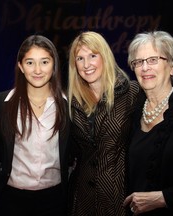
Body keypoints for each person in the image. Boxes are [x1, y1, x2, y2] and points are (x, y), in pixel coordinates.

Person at [0, 34, 70, 216]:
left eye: (44, 62)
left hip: (54, 199)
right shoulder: (1, 103)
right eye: (29, 63)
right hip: (11, 199)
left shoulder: (68, 106)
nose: (37, 70)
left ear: (54, 65)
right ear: (20, 66)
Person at [67, 31, 142, 216]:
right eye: (80, 58)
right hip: (82, 197)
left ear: (105, 56)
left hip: (119, 197)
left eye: (93, 56)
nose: (87, 65)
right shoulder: (72, 102)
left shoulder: (132, 93)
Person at [123, 30, 173, 215]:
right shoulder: (133, 113)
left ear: (172, 66)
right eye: (138, 62)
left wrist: (164, 198)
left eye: (153, 60)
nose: (145, 68)